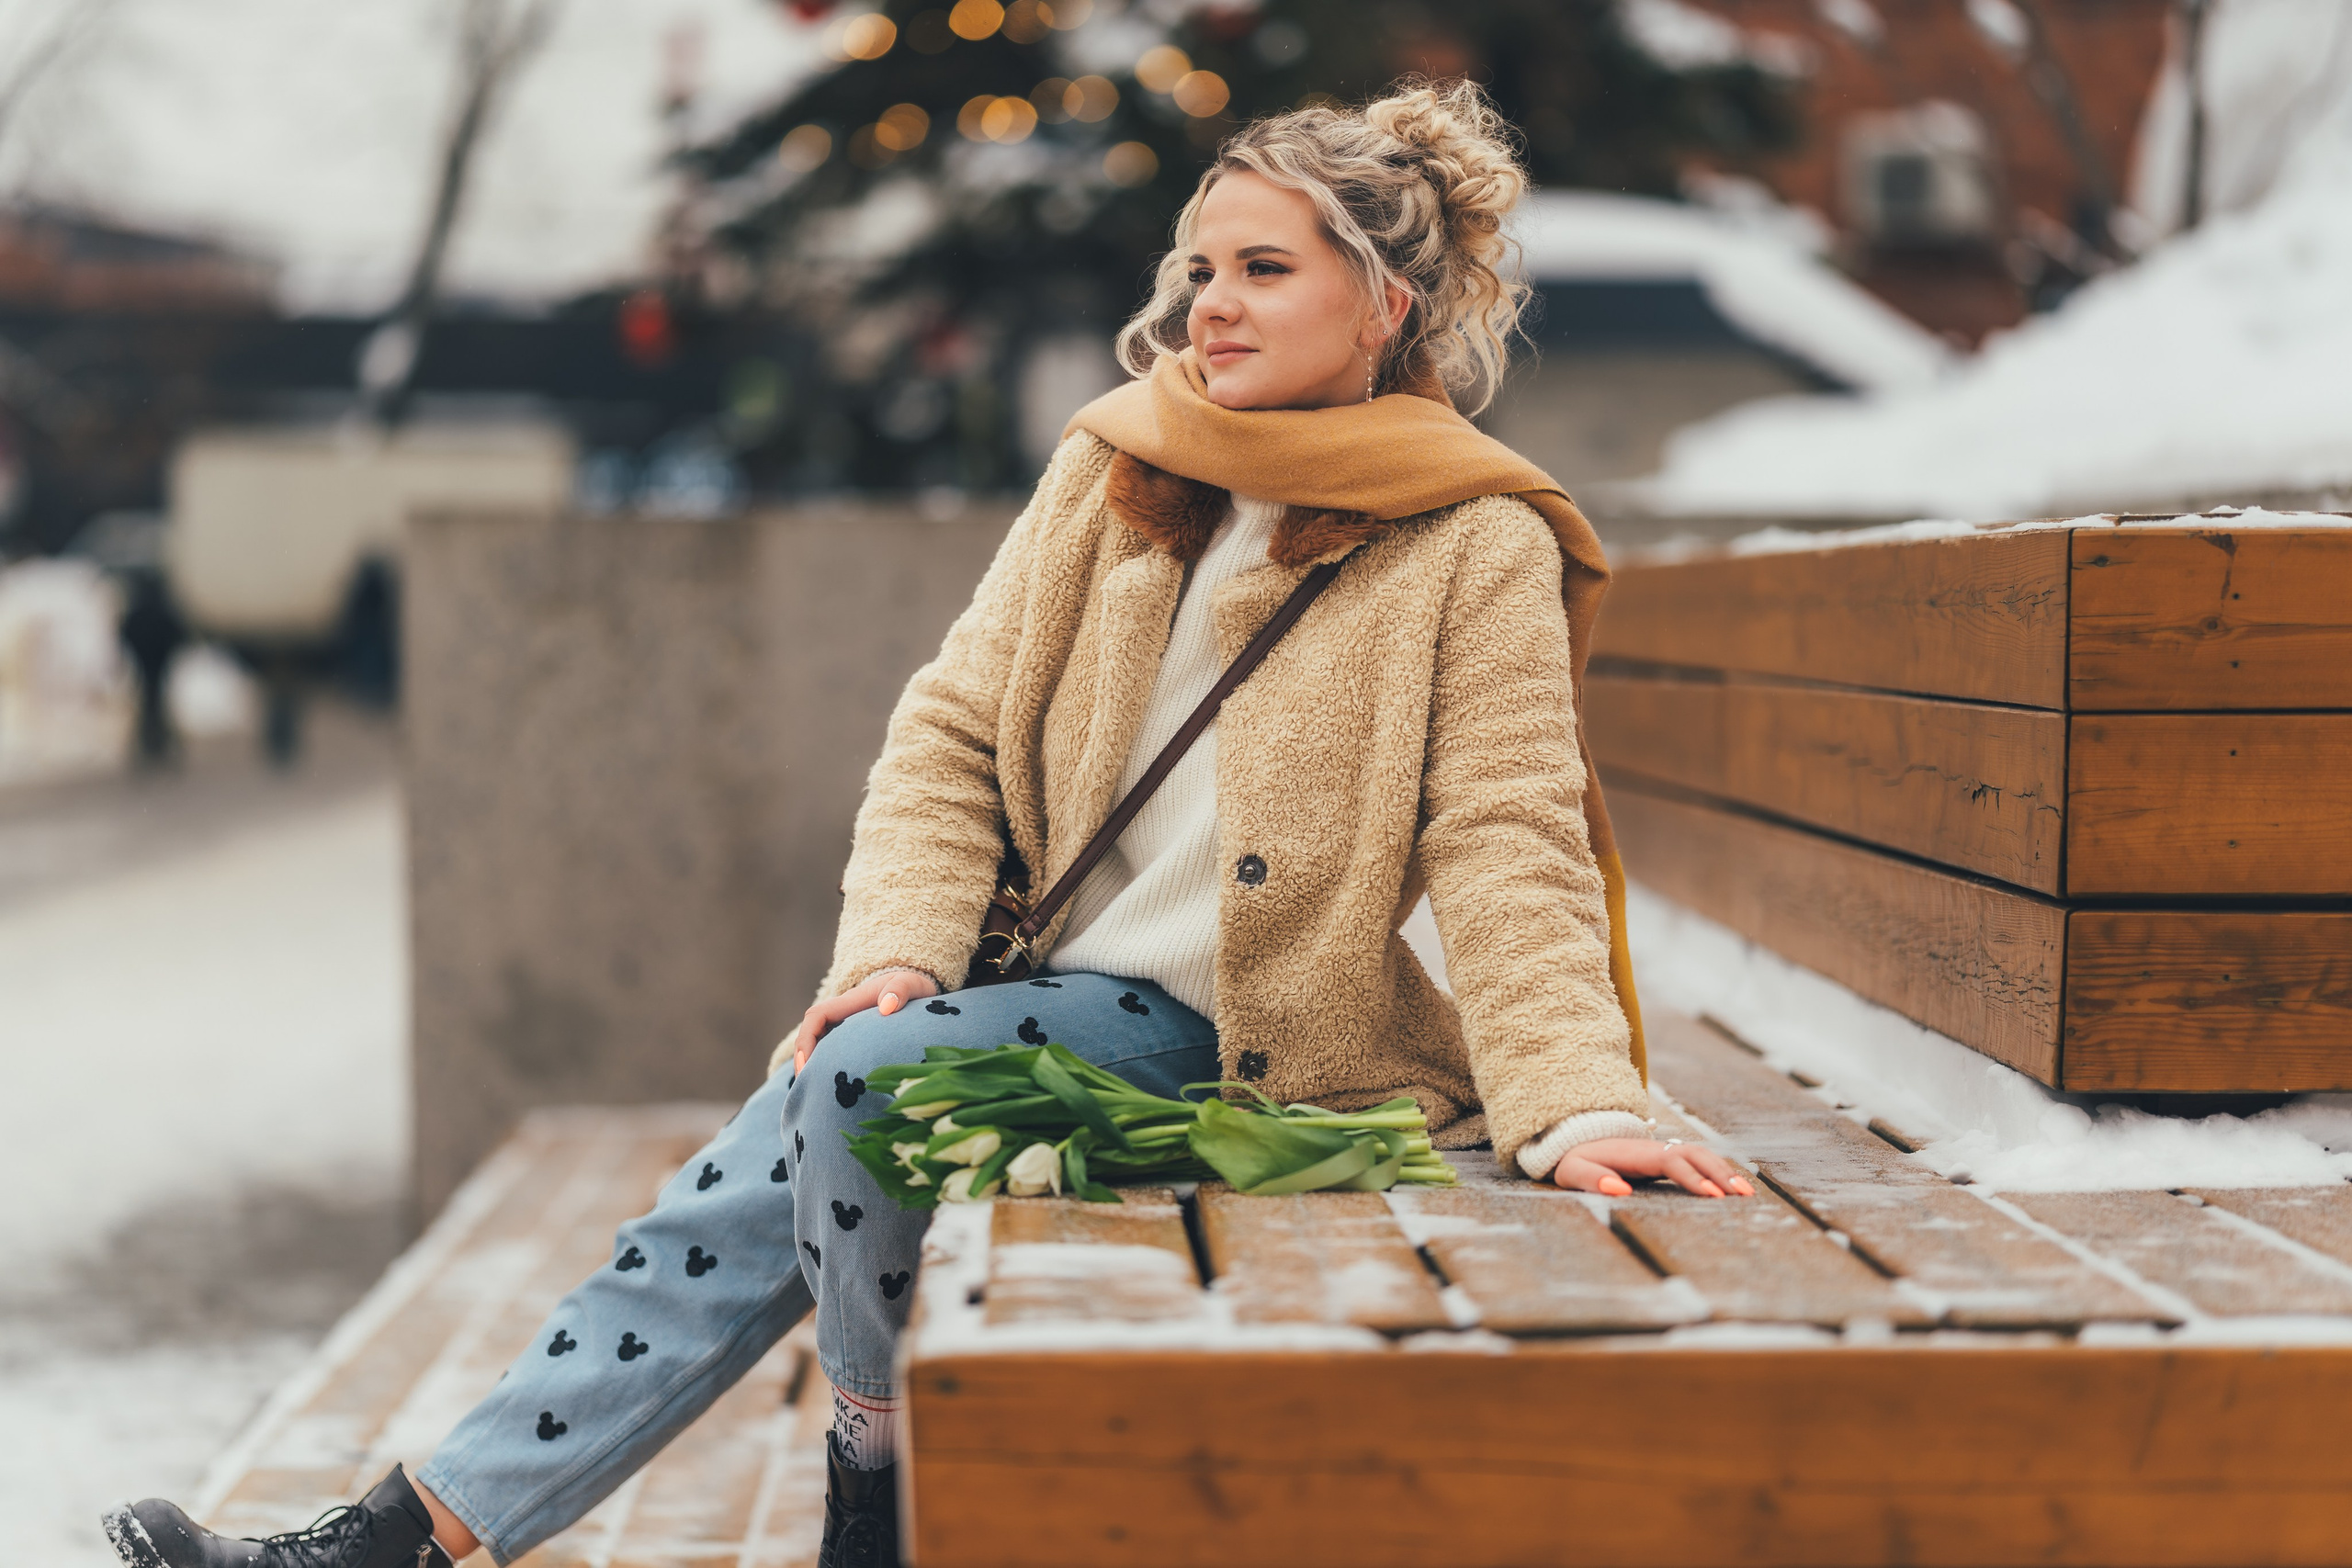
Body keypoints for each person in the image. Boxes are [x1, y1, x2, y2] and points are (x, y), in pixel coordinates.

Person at [102, 80, 1751, 1568]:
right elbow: (951, 731)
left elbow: (1509, 836)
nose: (1210, 304)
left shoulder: (1476, 541)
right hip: (1044, 996)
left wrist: (1570, 1096)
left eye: (1265, 269)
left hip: (1258, 1041)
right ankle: (427, 1537)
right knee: (802, 1123)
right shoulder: (1117, 471)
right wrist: (896, 942)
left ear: (1384, 303)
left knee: (857, 1088)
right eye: (1199, 266)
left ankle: (852, 1487)